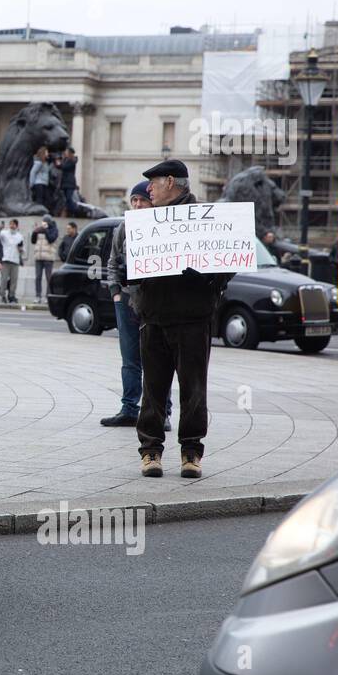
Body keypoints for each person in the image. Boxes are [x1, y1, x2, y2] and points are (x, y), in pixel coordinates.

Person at [123, 159, 233, 479]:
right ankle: (151, 452)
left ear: (171, 182)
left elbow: (228, 261)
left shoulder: (204, 217)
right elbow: (128, 265)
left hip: (193, 318)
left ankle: (191, 452)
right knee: (153, 389)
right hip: (154, 317)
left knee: (194, 390)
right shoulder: (148, 220)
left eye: (154, 184)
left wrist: (209, 278)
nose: (149, 190)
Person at [101, 181, 171, 430]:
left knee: (159, 358)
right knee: (130, 359)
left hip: (154, 302)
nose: (138, 204)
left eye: (142, 200)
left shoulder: (164, 227)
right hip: (126, 300)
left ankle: (163, 412)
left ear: (152, 202)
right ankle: (129, 408)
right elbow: (111, 261)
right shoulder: (123, 228)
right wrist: (115, 293)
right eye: (134, 201)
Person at [29, 213, 58, 303]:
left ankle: (47, 296)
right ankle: (38, 296)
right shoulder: (40, 230)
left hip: (48, 257)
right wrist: (35, 232)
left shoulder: (54, 229)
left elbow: (51, 239)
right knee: (38, 277)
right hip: (38, 257)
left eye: (46, 221)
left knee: (48, 277)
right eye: (43, 221)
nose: (44, 223)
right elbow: (33, 241)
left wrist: (45, 231)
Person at [0, 218, 23, 304]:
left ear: (17, 225)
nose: (12, 226)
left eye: (13, 224)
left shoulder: (20, 236)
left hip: (15, 260)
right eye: (10, 224)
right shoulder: (4, 233)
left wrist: (21, 248)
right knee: (4, 279)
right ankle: (2, 295)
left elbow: (22, 250)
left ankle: (11, 296)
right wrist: (0, 228)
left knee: (14, 280)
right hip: (5, 259)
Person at [60, 147, 80, 216]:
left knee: (69, 198)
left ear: (70, 153)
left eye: (66, 152)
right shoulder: (66, 160)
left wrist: (59, 164)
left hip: (70, 183)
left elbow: (64, 167)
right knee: (66, 199)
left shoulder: (72, 161)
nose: (65, 153)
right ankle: (70, 212)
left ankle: (76, 211)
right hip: (65, 183)